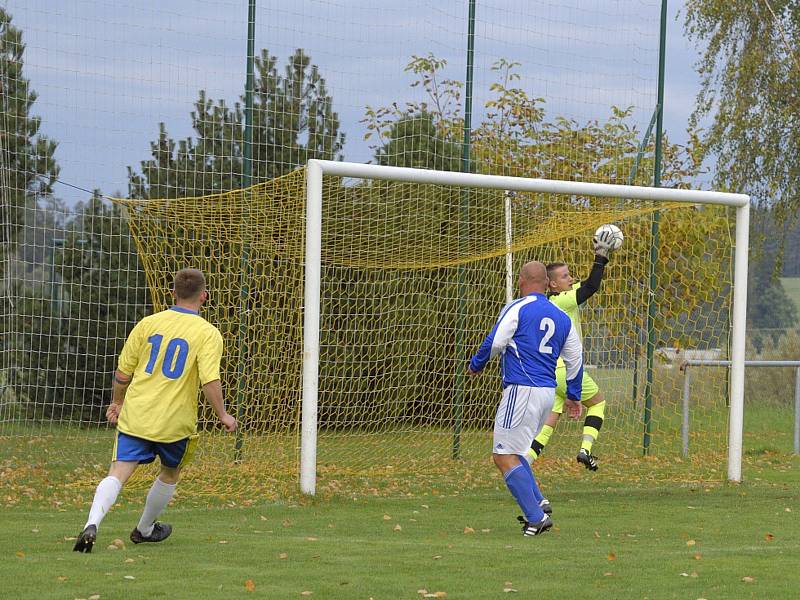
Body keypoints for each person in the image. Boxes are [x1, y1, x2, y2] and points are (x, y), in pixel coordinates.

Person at [73, 268, 237, 553]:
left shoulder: (148, 324)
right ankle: (145, 529)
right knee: (170, 473)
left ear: (172, 293)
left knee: (118, 472)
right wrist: (223, 414)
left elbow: (123, 373)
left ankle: (93, 523)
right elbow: (210, 379)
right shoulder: (208, 333)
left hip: (137, 415)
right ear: (204, 296)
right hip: (175, 422)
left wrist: (117, 402)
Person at [468, 261, 584, 537]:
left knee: (503, 456)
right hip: (545, 394)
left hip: (521, 389)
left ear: (522, 280)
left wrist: (476, 364)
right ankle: (539, 502)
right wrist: (573, 396)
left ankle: (536, 518)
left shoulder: (516, 307)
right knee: (517, 452)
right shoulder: (561, 316)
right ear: (546, 284)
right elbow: (575, 359)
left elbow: (495, 342)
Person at [526, 230, 616, 471]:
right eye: (565, 276)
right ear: (552, 284)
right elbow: (590, 287)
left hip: (551, 373)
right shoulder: (561, 300)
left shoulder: (554, 300)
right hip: (567, 371)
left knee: (549, 424)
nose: (570, 278)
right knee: (598, 403)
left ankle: (524, 463)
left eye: (569, 274)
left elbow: (586, 283)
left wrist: (602, 260)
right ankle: (585, 450)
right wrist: (600, 256)